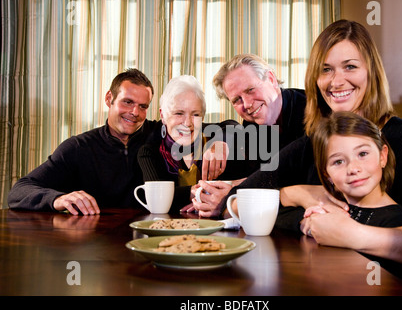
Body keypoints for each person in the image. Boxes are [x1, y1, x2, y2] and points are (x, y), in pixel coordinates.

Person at [217, 20, 402, 275]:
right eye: (326, 70)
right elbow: (236, 201)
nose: (336, 81)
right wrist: (299, 194)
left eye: (350, 66)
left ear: (370, 71)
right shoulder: (310, 143)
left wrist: (352, 234)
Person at [305, 111, 402, 294]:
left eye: (362, 153)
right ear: (326, 175)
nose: (353, 168)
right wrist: (309, 224)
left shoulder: (395, 222)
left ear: (382, 156)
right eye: (338, 161)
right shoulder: (339, 210)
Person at [8, 68, 156, 215]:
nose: (135, 112)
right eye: (128, 102)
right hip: (96, 235)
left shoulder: (160, 135)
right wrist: (58, 199)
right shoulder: (79, 147)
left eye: (143, 106)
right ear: (109, 98)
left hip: (154, 234)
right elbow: (19, 191)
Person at [191, 54, 307, 214]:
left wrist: (232, 194)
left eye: (251, 89)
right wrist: (211, 192)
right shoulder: (253, 122)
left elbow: (301, 177)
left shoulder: (311, 108)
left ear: (271, 79)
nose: (247, 104)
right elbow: (257, 175)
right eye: (237, 100)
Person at [137, 75, 245, 214]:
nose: (188, 123)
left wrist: (220, 143)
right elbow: (156, 195)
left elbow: (234, 126)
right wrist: (198, 193)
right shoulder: (149, 152)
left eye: (195, 114)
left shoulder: (212, 137)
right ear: (163, 115)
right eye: (179, 113)